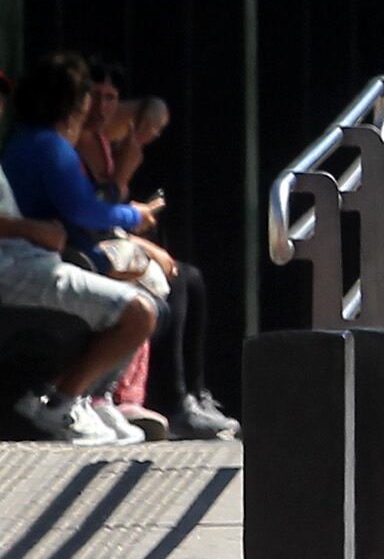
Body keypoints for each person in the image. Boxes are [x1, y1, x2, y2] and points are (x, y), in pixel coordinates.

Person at [3, 56, 222, 440]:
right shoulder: (48, 144)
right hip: (31, 265)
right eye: (90, 98)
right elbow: (83, 211)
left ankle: (83, 397)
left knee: (163, 293)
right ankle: (67, 401)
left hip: (41, 258)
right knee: (143, 308)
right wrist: (134, 217)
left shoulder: (33, 142)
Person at [0, 154, 156, 444]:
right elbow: (83, 210)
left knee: (147, 299)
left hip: (31, 260)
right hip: (11, 270)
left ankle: (63, 397)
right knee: (138, 312)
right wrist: (33, 229)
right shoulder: (45, 146)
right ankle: (62, 404)